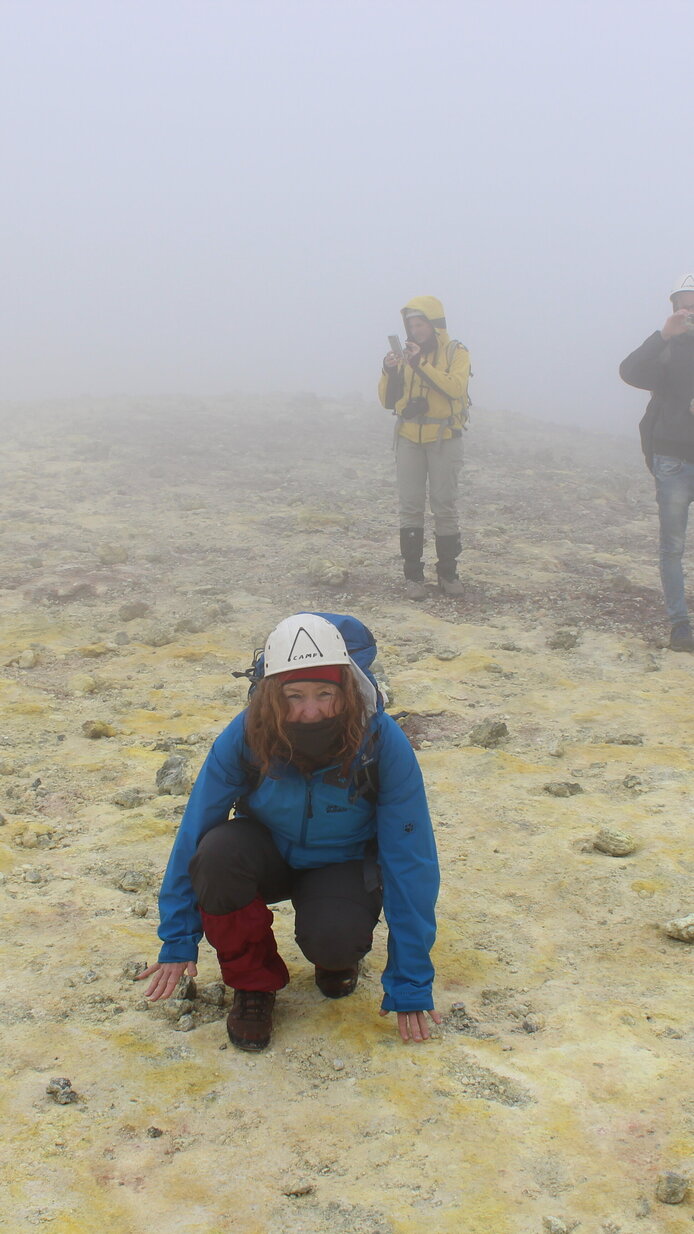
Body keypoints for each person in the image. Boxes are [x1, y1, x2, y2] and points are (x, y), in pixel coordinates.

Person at [138, 612, 441, 1051]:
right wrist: (178, 938)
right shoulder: (246, 735)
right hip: (268, 853)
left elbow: (410, 856)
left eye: (325, 693)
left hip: (341, 861)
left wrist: (411, 981)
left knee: (334, 941)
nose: (311, 710)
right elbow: (195, 829)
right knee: (216, 854)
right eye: (295, 695)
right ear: (272, 696)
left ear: (347, 686)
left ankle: (337, 957)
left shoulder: (381, 742)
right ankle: (254, 985)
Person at [379, 295, 471, 600]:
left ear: (434, 325)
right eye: (412, 325)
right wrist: (389, 371)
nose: (415, 330)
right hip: (409, 438)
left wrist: (421, 365)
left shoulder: (456, 352)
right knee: (411, 507)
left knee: (445, 505)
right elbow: (388, 401)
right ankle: (413, 577)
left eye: (421, 324)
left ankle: (448, 573)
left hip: (445, 438)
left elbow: (455, 388)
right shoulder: (406, 355)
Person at [620, 273, 694, 651]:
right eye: (680, 303)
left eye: (692, 302)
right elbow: (629, 371)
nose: (687, 309)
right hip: (673, 459)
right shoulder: (666, 347)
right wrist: (664, 334)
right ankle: (680, 626)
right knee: (673, 547)